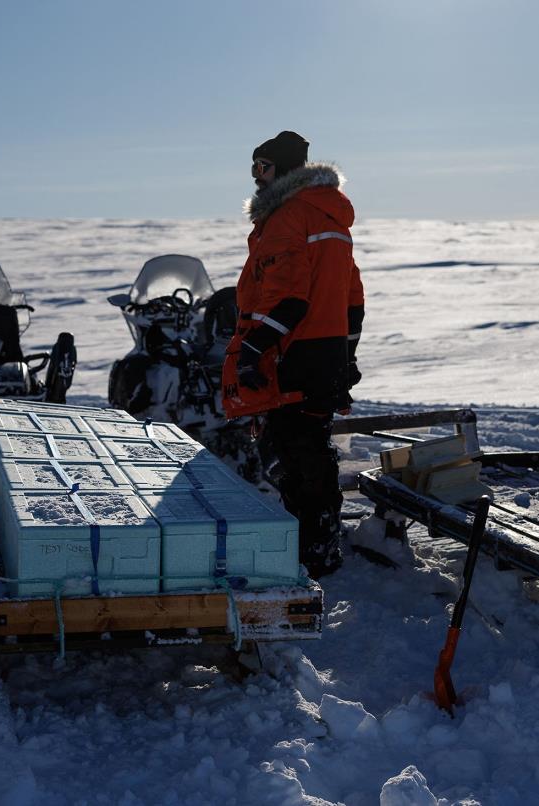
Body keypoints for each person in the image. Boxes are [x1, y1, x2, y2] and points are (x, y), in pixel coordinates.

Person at [222, 131, 365, 577]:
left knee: (288, 449)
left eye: (261, 167)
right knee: (308, 446)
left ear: (281, 170)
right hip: (323, 353)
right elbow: (353, 299)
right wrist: (347, 353)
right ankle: (318, 543)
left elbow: (287, 297)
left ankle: (310, 550)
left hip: (291, 352)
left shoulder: (287, 217)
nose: (255, 178)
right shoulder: (330, 217)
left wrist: (252, 349)